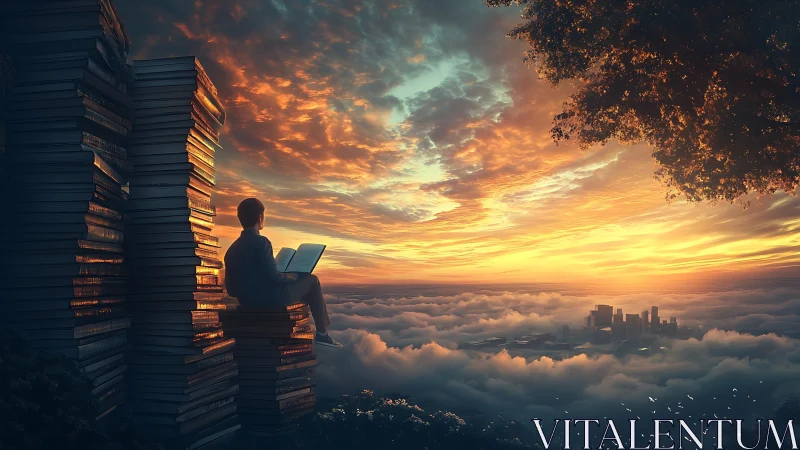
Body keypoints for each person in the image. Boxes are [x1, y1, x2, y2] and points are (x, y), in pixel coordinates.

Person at [224, 198, 342, 348]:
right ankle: (322, 334)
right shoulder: (261, 242)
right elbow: (272, 277)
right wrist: (289, 277)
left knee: (305, 289)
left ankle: (312, 319)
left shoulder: (231, 249)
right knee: (312, 280)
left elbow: (231, 288)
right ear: (260, 218)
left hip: (246, 301)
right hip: (271, 299)